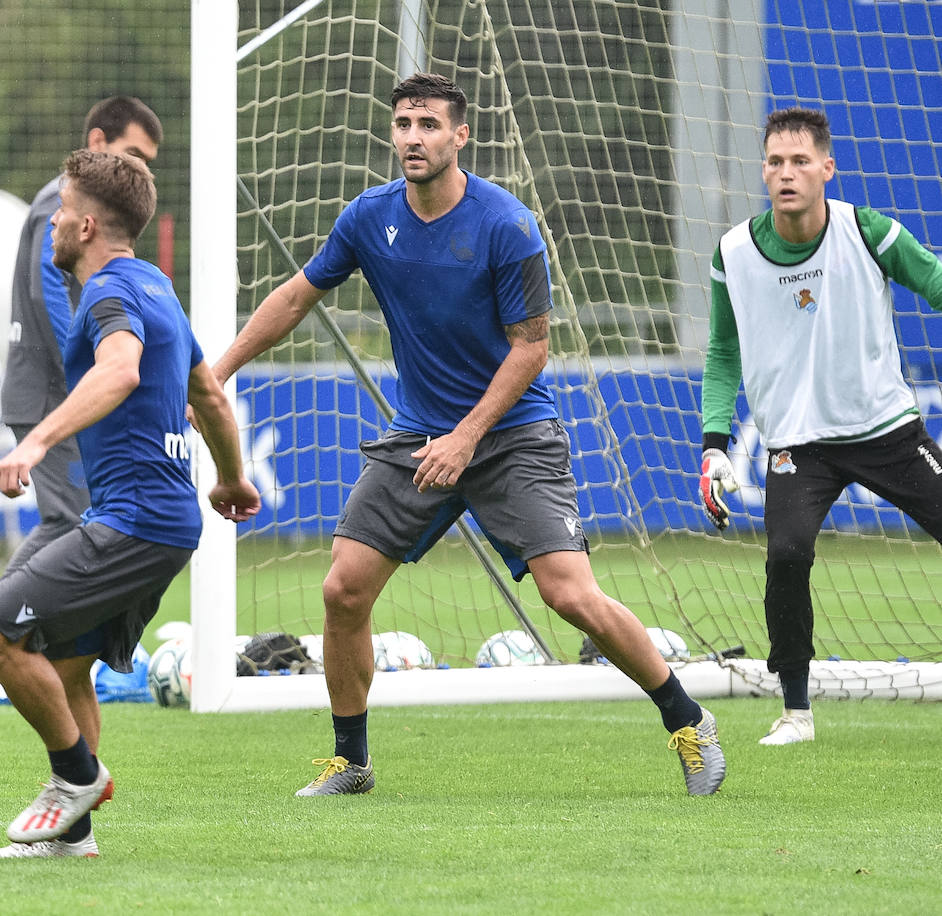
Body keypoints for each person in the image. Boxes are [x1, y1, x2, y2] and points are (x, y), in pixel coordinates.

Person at [210, 72, 726, 797]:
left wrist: (467, 438)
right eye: (403, 124)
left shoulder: (506, 225)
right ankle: (350, 762)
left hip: (512, 434)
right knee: (342, 591)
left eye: (428, 124)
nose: (413, 137)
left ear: (460, 135)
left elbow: (531, 349)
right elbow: (299, 295)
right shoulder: (368, 217)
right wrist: (222, 368)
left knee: (570, 595)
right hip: (419, 433)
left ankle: (688, 721)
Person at [0, 149, 260, 858]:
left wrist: (34, 443)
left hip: (132, 523)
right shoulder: (156, 285)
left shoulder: (107, 296)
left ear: (89, 223)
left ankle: (77, 779)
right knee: (68, 672)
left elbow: (121, 369)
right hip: (163, 522)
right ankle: (73, 840)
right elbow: (209, 395)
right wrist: (230, 478)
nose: (55, 224)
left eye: (63, 212)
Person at [699, 107, 942, 746]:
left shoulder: (871, 232)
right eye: (775, 162)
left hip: (887, 429)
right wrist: (713, 445)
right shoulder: (732, 253)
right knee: (786, 555)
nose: (786, 173)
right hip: (797, 445)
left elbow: (937, 284)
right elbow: (723, 352)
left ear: (826, 169)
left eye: (800, 161)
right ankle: (797, 713)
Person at [0, 97, 164, 698]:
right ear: (97, 142)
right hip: (55, 392)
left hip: (50, 392)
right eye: (132, 155)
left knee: (67, 518)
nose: (142, 171)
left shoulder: (64, 201)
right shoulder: (65, 203)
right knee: (80, 521)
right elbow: (52, 293)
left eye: (148, 162)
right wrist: (86, 378)